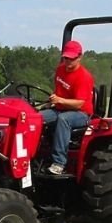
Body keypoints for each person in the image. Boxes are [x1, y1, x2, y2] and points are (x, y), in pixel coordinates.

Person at [40, 40, 94, 175]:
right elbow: (58, 91)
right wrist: (51, 101)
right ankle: (35, 153)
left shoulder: (84, 77)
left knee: (64, 119)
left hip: (80, 114)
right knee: (36, 117)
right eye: (65, 58)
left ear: (79, 57)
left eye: (71, 59)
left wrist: (59, 100)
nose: (68, 61)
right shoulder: (60, 70)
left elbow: (79, 103)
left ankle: (59, 163)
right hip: (60, 108)